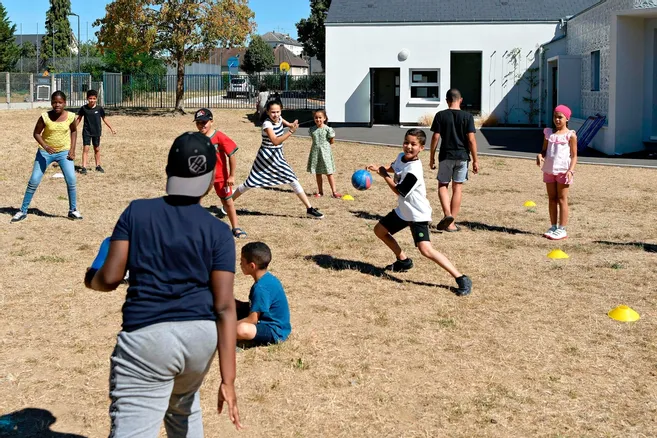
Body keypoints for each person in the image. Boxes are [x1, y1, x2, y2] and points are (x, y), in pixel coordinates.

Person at [84, 131, 242, 435]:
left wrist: (90, 279)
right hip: (201, 340)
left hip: (148, 339)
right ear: (210, 182)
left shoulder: (137, 212)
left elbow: (110, 277)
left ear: (168, 170)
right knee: (183, 408)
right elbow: (224, 307)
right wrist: (228, 380)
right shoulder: (219, 232)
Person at [367, 129, 472, 296]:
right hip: (404, 211)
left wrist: (383, 175)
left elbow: (399, 191)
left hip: (418, 214)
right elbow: (394, 167)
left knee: (426, 250)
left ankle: (461, 278)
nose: (408, 147)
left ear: (421, 148)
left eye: (413, 144)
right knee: (379, 230)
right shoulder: (402, 157)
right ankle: (403, 261)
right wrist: (380, 168)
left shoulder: (414, 170)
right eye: (406, 142)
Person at [232, 100, 325, 219]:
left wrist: (292, 125)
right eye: (273, 112)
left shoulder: (279, 118)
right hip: (265, 158)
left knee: (292, 179)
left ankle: (309, 209)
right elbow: (275, 141)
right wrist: (291, 132)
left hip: (277, 156)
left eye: (278, 112)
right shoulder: (267, 124)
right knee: (250, 183)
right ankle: (228, 204)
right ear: (267, 112)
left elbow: (286, 123)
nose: (276, 115)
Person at [12, 91, 83, 223]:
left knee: (71, 179)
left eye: (60, 102)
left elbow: (74, 131)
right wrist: (45, 146)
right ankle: (23, 210)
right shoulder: (44, 117)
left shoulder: (71, 116)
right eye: (54, 102)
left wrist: (72, 149)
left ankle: (73, 210)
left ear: (65, 103)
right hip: (45, 153)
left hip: (64, 152)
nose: (57, 105)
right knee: (34, 180)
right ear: (51, 103)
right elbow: (36, 133)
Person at [429, 88, 480, 232]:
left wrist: (432, 156)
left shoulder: (440, 115)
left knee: (442, 185)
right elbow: (471, 139)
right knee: (457, 188)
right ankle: (451, 224)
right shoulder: (468, 117)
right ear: (461, 100)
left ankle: (447, 214)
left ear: (447, 100)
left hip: (446, 155)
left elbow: (435, 137)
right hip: (463, 156)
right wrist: (475, 160)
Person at [194, 108, 247, 239]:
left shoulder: (219, 137)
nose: (201, 125)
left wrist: (232, 175)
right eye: (198, 122)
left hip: (221, 178)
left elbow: (231, 155)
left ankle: (236, 227)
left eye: (204, 122)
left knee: (228, 202)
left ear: (211, 121)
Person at [235, 242, 291, 346]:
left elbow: (252, 320)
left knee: (241, 329)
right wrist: (237, 304)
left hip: (274, 331)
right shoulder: (267, 279)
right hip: (266, 321)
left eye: (242, 261)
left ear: (252, 266)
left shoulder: (261, 288)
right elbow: (259, 307)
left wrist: (226, 329)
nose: (240, 264)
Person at [536, 105, 578, 240]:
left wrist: (571, 170)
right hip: (549, 170)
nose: (557, 120)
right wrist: (540, 155)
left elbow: (574, 155)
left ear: (567, 118)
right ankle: (553, 226)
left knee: (562, 199)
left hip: (563, 171)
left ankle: (562, 228)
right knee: (552, 199)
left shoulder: (570, 135)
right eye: (555, 117)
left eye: (560, 117)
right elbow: (544, 150)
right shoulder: (549, 133)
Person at [75, 89, 116, 174]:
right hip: (87, 131)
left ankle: (98, 166)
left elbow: (104, 119)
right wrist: (73, 128)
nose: (92, 100)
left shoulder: (99, 108)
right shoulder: (84, 108)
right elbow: (79, 119)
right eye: (90, 98)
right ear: (87, 99)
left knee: (96, 148)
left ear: (96, 99)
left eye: (94, 98)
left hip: (96, 131)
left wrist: (111, 128)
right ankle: (84, 167)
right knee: (85, 149)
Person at [307, 109, 341, 198]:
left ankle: (334, 191)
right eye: (316, 118)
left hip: (325, 153)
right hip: (316, 153)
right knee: (318, 173)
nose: (318, 120)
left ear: (324, 118)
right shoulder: (312, 129)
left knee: (329, 173)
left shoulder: (328, 129)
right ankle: (320, 191)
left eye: (320, 118)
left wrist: (325, 146)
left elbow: (331, 140)